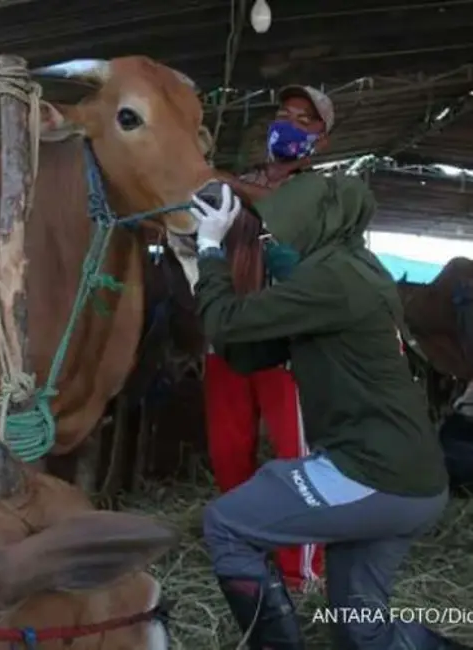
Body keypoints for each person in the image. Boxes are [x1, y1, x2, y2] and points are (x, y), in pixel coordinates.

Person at [188, 125, 462, 647]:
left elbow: (225, 323)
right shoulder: (356, 269)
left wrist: (208, 250)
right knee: (362, 631)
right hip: (412, 480)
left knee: (227, 524)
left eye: (287, 225)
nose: (278, 235)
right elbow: (248, 349)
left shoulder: (331, 279)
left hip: (373, 472)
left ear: (315, 223)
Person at [203, 86, 334, 592]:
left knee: (294, 459)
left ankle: (300, 573)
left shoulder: (326, 192)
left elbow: (284, 210)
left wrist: (215, 179)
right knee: (228, 452)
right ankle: (243, 552)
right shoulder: (239, 182)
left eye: (306, 121)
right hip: (229, 340)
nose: (291, 125)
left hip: (289, 345)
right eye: (285, 115)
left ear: (321, 142)